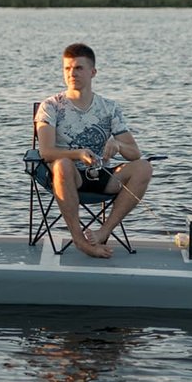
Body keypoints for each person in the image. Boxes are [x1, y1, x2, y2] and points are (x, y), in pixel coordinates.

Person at [34, 42, 152, 259]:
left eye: (78, 68)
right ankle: (80, 241)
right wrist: (77, 154)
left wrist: (118, 146)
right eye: (67, 68)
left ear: (93, 72)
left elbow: (135, 153)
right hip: (67, 177)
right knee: (62, 165)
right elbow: (46, 152)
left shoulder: (109, 108)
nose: (72, 73)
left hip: (102, 174)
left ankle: (103, 232)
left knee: (143, 168)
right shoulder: (51, 106)